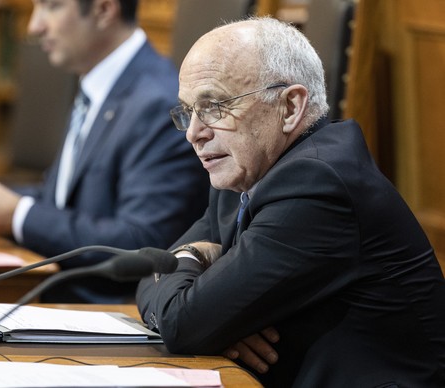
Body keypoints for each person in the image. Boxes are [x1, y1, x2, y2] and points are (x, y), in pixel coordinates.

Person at [136, 17, 445, 387]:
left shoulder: (318, 185)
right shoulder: (242, 170)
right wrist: (214, 319)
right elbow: (154, 277)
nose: (193, 133)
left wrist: (200, 293)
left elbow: (181, 322)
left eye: (214, 106)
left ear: (290, 106)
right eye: (188, 111)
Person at [0, 0, 209, 304]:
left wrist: (19, 215)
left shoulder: (156, 101)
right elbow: (59, 201)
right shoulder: (103, 85)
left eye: (51, 6)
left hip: (105, 309)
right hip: (58, 294)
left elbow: (143, 243)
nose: (34, 26)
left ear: (104, 9)